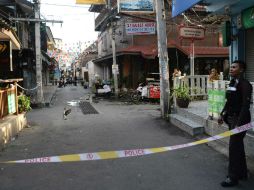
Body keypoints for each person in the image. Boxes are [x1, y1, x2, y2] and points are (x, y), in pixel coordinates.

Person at [218, 60, 252, 187]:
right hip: (231, 119)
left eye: (234, 67)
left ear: (241, 70)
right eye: (231, 67)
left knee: (233, 149)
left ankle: (232, 177)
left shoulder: (245, 85)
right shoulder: (233, 83)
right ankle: (242, 173)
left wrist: (239, 123)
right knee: (238, 147)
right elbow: (229, 101)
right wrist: (222, 114)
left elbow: (245, 106)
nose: (231, 69)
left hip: (240, 120)